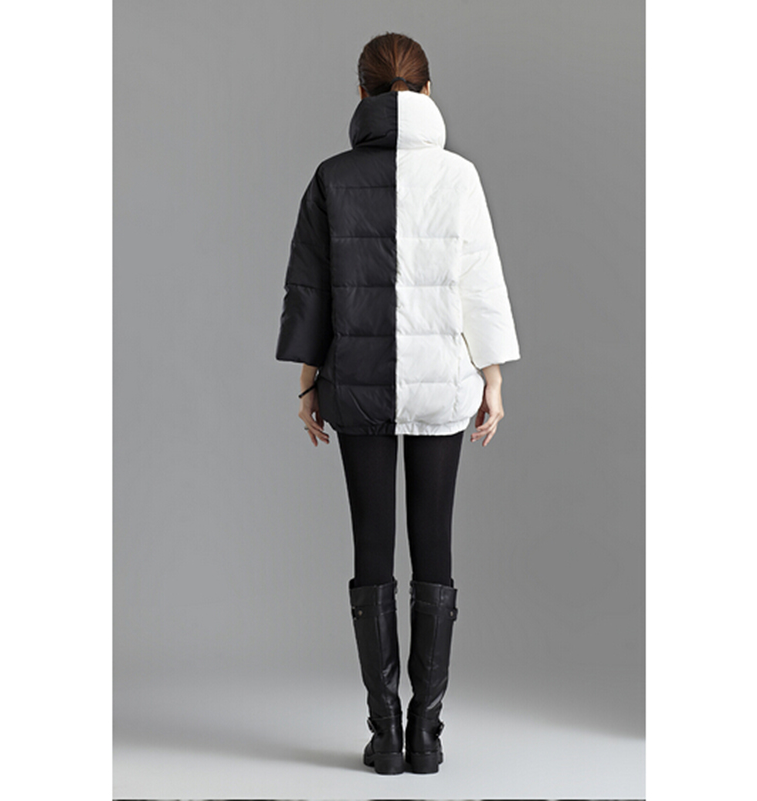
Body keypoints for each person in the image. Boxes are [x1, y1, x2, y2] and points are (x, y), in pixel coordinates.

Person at [275, 32, 521, 775]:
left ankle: (384, 734)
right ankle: (426, 734)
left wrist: (307, 383)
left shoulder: (331, 176)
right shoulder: (459, 176)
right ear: (426, 90)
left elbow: (310, 286)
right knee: (434, 547)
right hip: (444, 384)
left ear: (361, 93)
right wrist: (492, 379)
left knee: (371, 550)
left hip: (357, 383)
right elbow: (481, 281)